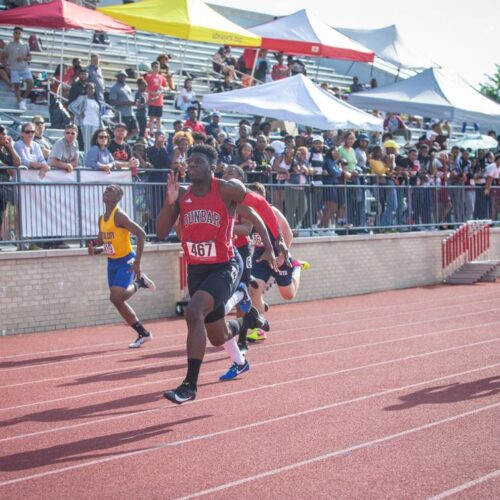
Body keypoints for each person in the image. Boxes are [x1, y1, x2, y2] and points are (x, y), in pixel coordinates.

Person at [156, 145, 279, 404]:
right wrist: (169, 203)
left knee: (194, 311)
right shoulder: (182, 196)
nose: (191, 165)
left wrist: (272, 246)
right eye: (189, 162)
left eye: (198, 161)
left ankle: (189, 386)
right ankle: (249, 321)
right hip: (196, 269)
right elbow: (160, 231)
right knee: (217, 337)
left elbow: (257, 210)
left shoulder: (225, 189)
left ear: (212, 167)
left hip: (225, 265)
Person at [88, 184, 156, 349]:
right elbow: (104, 244)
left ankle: (139, 282)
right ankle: (143, 333)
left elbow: (141, 234)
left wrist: (137, 262)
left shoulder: (120, 215)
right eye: (106, 188)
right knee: (117, 301)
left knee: (116, 297)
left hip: (126, 259)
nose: (107, 189)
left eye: (112, 189)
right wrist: (94, 250)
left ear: (119, 197)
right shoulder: (101, 219)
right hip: (112, 262)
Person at [246, 181, 309, 342]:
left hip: (279, 253)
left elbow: (288, 233)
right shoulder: (246, 213)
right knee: (254, 289)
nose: (251, 200)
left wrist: (282, 256)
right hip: (261, 255)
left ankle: (296, 268)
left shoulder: (272, 211)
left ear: (263, 197)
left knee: (287, 295)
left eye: (255, 197)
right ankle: (259, 329)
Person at [0, 126, 21, 247]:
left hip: (4, 189)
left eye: (5, 134)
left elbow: (17, 163)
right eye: (2, 134)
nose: (5, 136)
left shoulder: (6, 150)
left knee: (2, 215)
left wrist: (11, 147)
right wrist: (6, 167)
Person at [68, 81, 102, 154]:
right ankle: (87, 162)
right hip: (86, 123)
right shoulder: (82, 98)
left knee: (95, 144)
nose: (90, 90)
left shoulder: (96, 100)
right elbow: (71, 106)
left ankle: (94, 160)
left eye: (92, 88)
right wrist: (79, 113)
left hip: (96, 124)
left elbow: (99, 113)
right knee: (87, 144)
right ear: (86, 89)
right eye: (88, 88)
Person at [5, 27, 32, 110]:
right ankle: (20, 102)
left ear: (21, 34)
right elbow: (3, 56)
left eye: (19, 33)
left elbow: (30, 57)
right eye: (16, 32)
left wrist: (23, 58)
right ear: (13, 34)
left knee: (30, 83)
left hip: (24, 67)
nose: (17, 34)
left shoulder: (25, 45)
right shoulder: (9, 45)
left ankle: (23, 99)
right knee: (17, 86)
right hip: (14, 68)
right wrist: (6, 65)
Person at [109, 71, 138, 140]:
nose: (122, 78)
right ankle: (122, 142)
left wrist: (133, 103)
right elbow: (111, 102)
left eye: (124, 76)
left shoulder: (127, 87)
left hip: (130, 112)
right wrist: (126, 103)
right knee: (123, 131)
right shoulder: (114, 88)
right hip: (122, 113)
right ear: (118, 77)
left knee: (136, 130)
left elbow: (129, 99)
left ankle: (124, 141)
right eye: (121, 76)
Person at [144, 61, 167, 135]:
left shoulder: (161, 77)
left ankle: (158, 131)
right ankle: (151, 132)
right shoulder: (148, 77)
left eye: (158, 67)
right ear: (152, 67)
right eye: (155, 67)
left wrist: (163, 89)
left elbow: (166, 86)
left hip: (159, 100)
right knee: (151, 117)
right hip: (152, 100)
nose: (156, 69)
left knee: (158, 118)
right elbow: (145, 87)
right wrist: (152, 92)